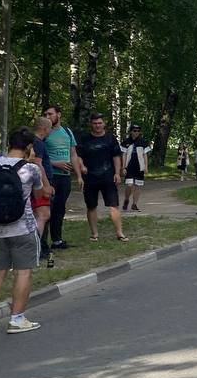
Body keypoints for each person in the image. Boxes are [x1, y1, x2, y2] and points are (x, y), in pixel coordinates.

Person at [0, 126, 45, 335]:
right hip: (22, 228)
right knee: (23, 272)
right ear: (29, 147)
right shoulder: (30, 169)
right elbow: (41, 195)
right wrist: (36, 163)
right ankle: (17, 319)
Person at [76, 112, 127, 241]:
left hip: (108, 176)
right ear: (91, 124)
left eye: (100, 123)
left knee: (113, 204)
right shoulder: (84, 139)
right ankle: (94, 234)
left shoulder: (110, 138)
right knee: (91, 206)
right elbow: (78, 156)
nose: (97, 125)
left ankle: (119, 233)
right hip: (90, 177)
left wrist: (117, 173)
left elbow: (116, 156)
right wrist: (82, 166)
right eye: (95, 123)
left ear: (104, 124)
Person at [42, 104, 84, 250]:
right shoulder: (44, 133)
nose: (48, 117)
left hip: (65, 177)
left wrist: (78, 176)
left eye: (50, 114)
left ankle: (57, 240)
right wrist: (55, 163)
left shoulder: (67, 131)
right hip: (50, 176)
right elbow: (36, 156)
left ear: (58, 115)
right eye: (46, 114)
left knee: (59, 209)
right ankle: (42, 243)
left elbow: (73, 154)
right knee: (46, 210)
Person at [29, 116, 56, 268]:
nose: (51, 130)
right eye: (50, 127)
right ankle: (35, 247)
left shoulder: (33, 142)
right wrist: (45, 185)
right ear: (45, 129)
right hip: (39, 184)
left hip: (34, 184)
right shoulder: (38, 143)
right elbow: (38, 165)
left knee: (39, 215)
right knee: (43, 215)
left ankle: (38, 246)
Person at [121, 124, 150, 212]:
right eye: (134, 131)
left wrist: (146, 167)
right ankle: (126, 199)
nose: (136, 132)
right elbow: (124, 155)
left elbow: (145, 155)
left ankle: (134, 204)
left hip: (139, 166)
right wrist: (123, 167)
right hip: (129, 166)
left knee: (137, 185)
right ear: (131, 131)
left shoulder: (143, 142)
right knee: (129, 185)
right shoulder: (126, 141)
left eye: (138, 131)